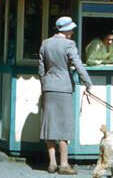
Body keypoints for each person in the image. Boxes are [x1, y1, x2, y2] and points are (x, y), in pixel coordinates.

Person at [38, 15, 93, 175]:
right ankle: (64, 164)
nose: (73, 32)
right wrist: (87, 82)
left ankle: (52, 163)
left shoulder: (46, 43)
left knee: (50, 124)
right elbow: (78, 65)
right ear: (67, 30)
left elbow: (41, 68)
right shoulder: (69, 44)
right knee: (63, 126)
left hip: (49, 87)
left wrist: (45, 83)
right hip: (63, 88)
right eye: (72, 29)